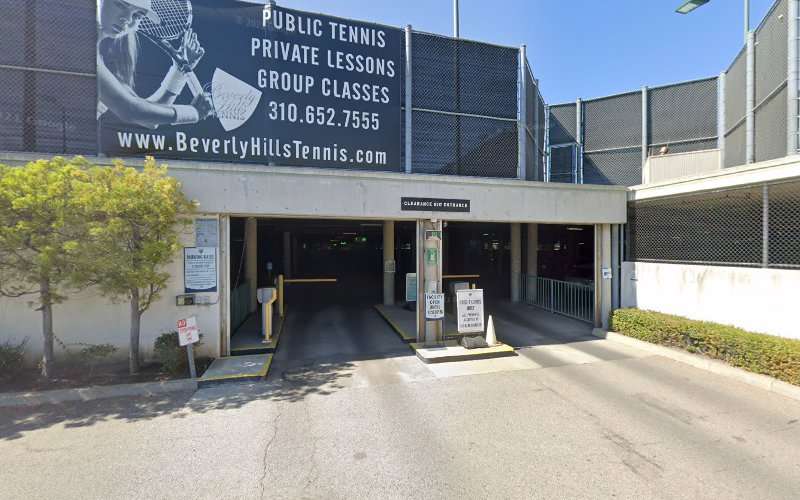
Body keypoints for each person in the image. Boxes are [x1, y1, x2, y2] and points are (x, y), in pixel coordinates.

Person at [97, 0, 214, 129]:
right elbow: (130, 110)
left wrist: (178, 74)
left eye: (138, 15)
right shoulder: (80, 46)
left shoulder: (102, 58)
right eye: (120, 5)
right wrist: (193, 113)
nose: (127, 19)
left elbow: (148, 119)